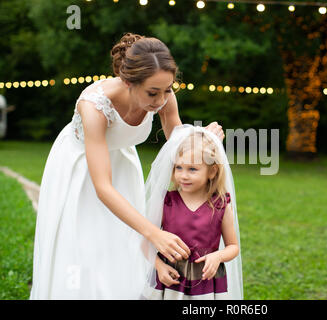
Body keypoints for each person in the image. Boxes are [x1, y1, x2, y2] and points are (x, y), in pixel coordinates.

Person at [30, 33, 224, 299]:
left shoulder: (165, 96)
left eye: (167, 90)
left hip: (123, 165)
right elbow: (103, 187)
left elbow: (179, 148)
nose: (160, 101)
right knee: (83, 245)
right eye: (152, 93)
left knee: (120, 244)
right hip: (82, 169)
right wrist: (153, 233)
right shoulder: (94, 105)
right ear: (128, 82)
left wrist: (205, 140)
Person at [140, 125, 243, 300]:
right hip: (170, 279)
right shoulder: (167, 202)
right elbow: (145, 243)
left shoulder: (220, 205)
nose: (183, 175)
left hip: (205, 282)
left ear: (212, 171)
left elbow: (233, 247)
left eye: (192, 169)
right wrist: (159, 266)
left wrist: (218, 256)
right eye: (178, 168)